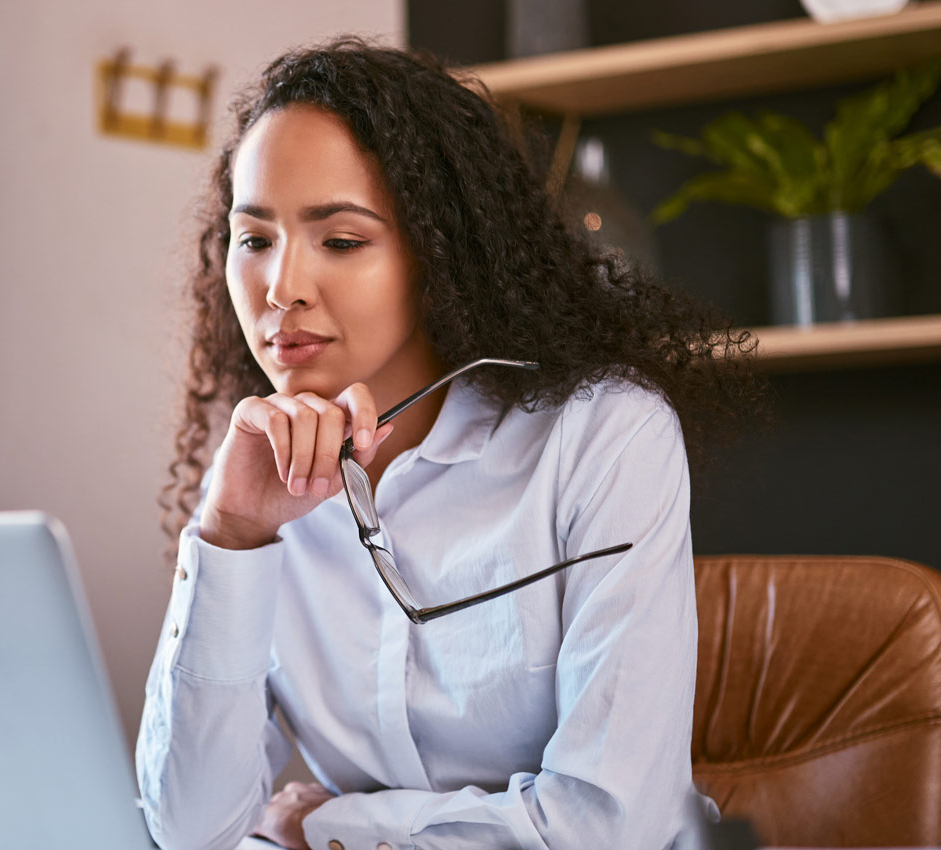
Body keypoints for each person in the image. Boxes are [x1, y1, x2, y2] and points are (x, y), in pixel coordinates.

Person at [137, 38, 765, 850]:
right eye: (254, 239)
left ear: (440, 253)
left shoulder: (602, 435)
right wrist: (231, 535)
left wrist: (332, 826)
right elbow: (187, 832)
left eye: (341, 241)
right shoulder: (257, 472)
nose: (281, 288)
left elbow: (614, 829)